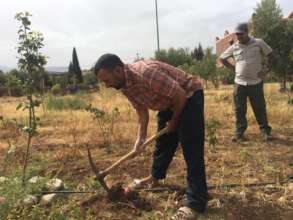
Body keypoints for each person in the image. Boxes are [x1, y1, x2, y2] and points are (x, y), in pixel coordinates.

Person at [94, 54, 208, 219]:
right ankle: (154, 178)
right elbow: (141, 111)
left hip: (189, 95)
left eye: (106, 80)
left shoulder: (145, 73)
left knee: (191, 148)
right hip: (169, 101)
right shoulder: (124, 84)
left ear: (118, 70)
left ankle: (196, 204)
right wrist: (140, 139)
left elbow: (180, 95)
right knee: (163, 143)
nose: (106, 85)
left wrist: (174, 121)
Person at [220, 23, 273, 142]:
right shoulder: (234, 47)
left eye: (241, 34)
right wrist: (234, 69)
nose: (239, 37)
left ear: (247, 32)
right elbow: (222, 59)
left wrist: (266, 70)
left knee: (259, 107)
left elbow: (271, 55)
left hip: (256, 82)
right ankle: (239, 133)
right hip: (240, 83)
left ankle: (265, 132)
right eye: (237, 34)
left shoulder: (258, 43)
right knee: (239, 109)